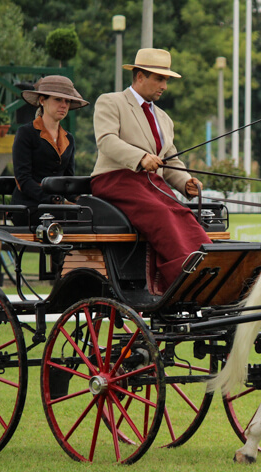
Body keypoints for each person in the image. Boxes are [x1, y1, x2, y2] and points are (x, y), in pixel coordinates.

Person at [90, 48, 209, 294]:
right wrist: (141, 157)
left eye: (166, 80)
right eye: (159, 79)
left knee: (182, 213)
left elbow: (170, 159)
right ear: (140, 76)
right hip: (115, 180)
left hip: (150, 185)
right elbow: (106, 140)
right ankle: (182, 275)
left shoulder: (164, 118)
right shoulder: (111, 102)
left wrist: (185, 182)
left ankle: (207, 268)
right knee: (161, 213)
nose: (164, 86)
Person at [11, 75, 88, 226]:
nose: (64, 105)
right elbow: (23, 180)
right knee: (74, 217)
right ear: (42, 100)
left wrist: (80, 199)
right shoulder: (26, 133)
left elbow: (68, 181)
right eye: (58, 99)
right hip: (28, 207)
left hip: (57, 207)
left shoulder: (69, 139)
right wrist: (53, 199)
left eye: (67, 101)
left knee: (92, 214)